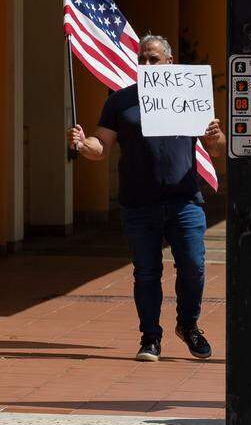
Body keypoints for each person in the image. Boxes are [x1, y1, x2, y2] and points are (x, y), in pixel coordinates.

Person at [68, 35, 225, 363]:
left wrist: (216, 137)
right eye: (143, 59)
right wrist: (84, 145)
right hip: (139, 203)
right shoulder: (120, 101)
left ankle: (189, 325)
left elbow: (218, 149)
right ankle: (150, 338)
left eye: (154, 59)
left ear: (169, 62)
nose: (148, 65)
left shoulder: (188, 95)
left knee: (194, 267)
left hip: (184, 200)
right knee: (147, 272)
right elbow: (102, 146)